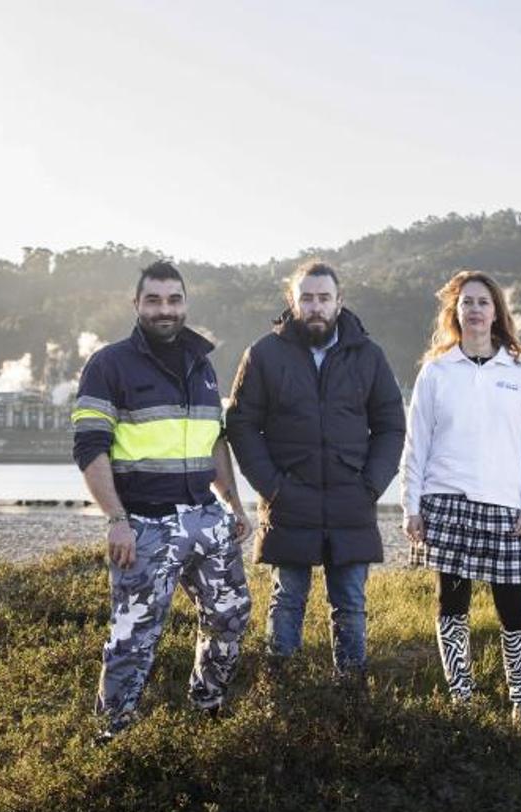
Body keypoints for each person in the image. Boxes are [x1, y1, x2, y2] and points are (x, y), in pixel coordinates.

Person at [72, 260, 253, 743]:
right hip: (145, 525)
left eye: (174, 299)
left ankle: (207, 705)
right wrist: (115, 519)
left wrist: (233, 505)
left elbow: (215, 441)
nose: (164, 309)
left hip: (207, 518)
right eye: (153, 300)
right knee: (134, 638)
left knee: (230, 617)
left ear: (185, 304)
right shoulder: (109, 365)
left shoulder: (203, 363)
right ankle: (113, 736)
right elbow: (90, 447)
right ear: (136, 305)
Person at [225, 260, 406, 677]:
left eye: (324, 298)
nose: (316, 306)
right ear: (292, 301)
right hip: (289, 500)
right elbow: (241, 424)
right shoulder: (264, 354)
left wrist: (371, 485)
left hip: (351, 500)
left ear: (339, 302)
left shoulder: (369, 356)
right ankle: (281, 692)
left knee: (351, 605)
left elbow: (392, 425)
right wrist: (272, 487)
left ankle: (351, 698)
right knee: (287, 600)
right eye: (307, 298)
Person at [400, 270, 521, 723]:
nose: (475, 310)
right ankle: (461, 700)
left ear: (497, 311)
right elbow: (416, 443)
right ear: (455, 312)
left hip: (505, 507)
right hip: (445, 502)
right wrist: (411, 506)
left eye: (483, 302)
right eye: (467, 302)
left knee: (515, 609)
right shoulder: (437, 371)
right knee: (452, 606)